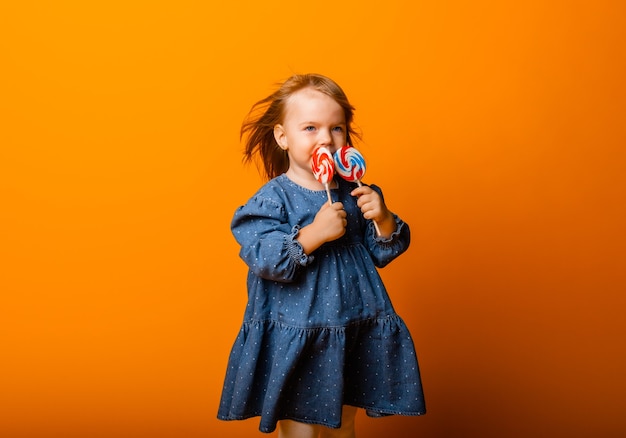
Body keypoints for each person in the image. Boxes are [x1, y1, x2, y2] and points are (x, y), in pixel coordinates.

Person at [217, 73, 426, 437]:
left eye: (337, 128)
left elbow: (382, 251)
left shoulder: (355, 191)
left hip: (352, 329)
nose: (326, 139)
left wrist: (384, 218)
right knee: (302, 428)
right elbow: (264, 257)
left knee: (343, 423)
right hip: (300, 335)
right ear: (282, 136)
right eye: (310, 128)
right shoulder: (272, 199)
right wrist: (314, 234)